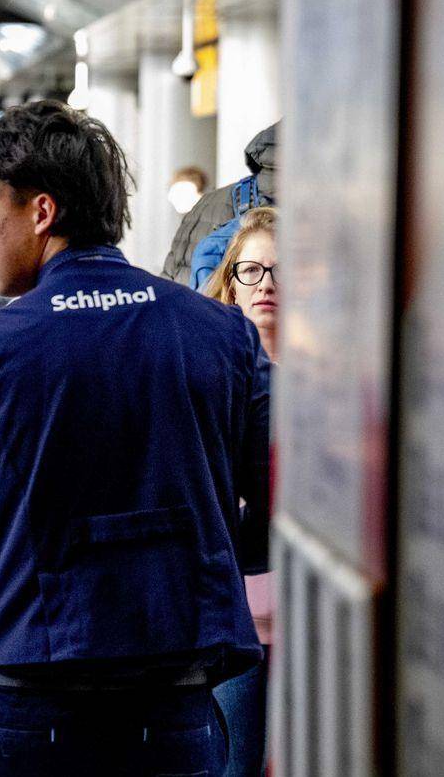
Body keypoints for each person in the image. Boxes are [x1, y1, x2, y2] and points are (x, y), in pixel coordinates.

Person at [0, 101, 270, 777]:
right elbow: (275, 511)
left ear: (41, 212)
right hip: (174, 704)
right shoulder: (221, 335)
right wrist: (193, 560)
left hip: (20, 707)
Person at [202, 206, 278, 777]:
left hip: (314, 609)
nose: (267, 285)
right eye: (251, 271)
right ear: (230, 281)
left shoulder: (342, 374)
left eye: (284, 270)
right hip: (232, 615)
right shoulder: (209, 371)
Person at [160, 122, 277, 282]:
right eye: (175, 192)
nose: (175, 198)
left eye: (183, 191)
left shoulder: (204, 207)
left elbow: (172, 285)